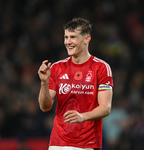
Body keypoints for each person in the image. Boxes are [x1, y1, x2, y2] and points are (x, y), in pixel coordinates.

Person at [38, 17, 113, 150]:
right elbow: (45, 107)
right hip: (57, 143)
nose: (68, 42)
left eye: (73, 37)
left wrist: (82, 116)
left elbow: (105, 108)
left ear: (87, 39)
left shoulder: (101, 68)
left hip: (87, 143)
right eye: (66, 37)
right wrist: (44, 83)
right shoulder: (57, 67)